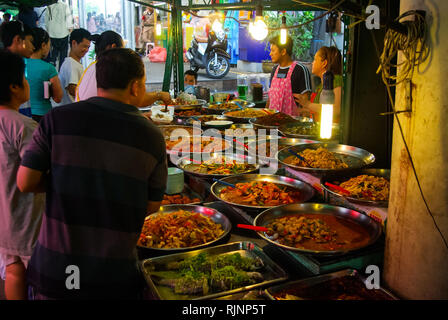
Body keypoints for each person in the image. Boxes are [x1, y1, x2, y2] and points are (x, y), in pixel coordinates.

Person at [17, 48, 168, 300]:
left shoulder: (56, 119)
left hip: (57, 266)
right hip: (111, 274)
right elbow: (152, 205)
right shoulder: (151, 135)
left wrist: (68, 181)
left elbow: (25, 181)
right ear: (135, 87)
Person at [0, 50, 45, 300]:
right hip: (27, 218)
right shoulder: (23, 126)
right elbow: (37, 173)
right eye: (25, 79)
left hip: (4, 218)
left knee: (13, 270)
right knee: (38, 272)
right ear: (15, 87)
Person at [76, 30, 172, 106]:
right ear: (112, 47)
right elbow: (135, 99)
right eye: (122, 49)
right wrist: (159, 95)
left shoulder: (92, 67)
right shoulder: (109, 69)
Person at [266, 34, 312, 116]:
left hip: (291, 124)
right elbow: (270, 98)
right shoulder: (274, 70)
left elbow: (306, 101)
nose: (270, 54)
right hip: (272, 122)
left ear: (283, 51)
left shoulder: (300, 69)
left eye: (273, 50)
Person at [294, 46, 342, 122]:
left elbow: (336, 110)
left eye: (315, 59)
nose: (312, 62)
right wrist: (304, 111)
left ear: (324, 63)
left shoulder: (336, 79)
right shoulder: (320, 85)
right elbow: (320, 109)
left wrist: (308, 104)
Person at [26, 28, 63, 122]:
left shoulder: (19, 64)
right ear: (43, 45)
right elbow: (58, 98)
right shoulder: (48, 68)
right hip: (43, 115)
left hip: (23, 113)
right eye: (49, 45)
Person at [1, 21, 35, 117]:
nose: (33, 47)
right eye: (30, 41)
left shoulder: (17, 64)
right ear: (18, 40)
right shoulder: (7, 68)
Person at [57, 28, 91, 106]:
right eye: (84, 46)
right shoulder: (71, 63)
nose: (86, 50)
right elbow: (72, 88)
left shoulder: (73, 63)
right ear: (74, 43)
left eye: (88, 47)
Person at [45, 0, 74, 71]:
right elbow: (68, 18)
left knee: (54, 53)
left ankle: (52, 71)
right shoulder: (65, 5)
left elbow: (46, 20)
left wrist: (48, 31)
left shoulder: (49, 6)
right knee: (63, 55)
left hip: (52, 33)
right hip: (63, 33)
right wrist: (70, 28)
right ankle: (61, 71)